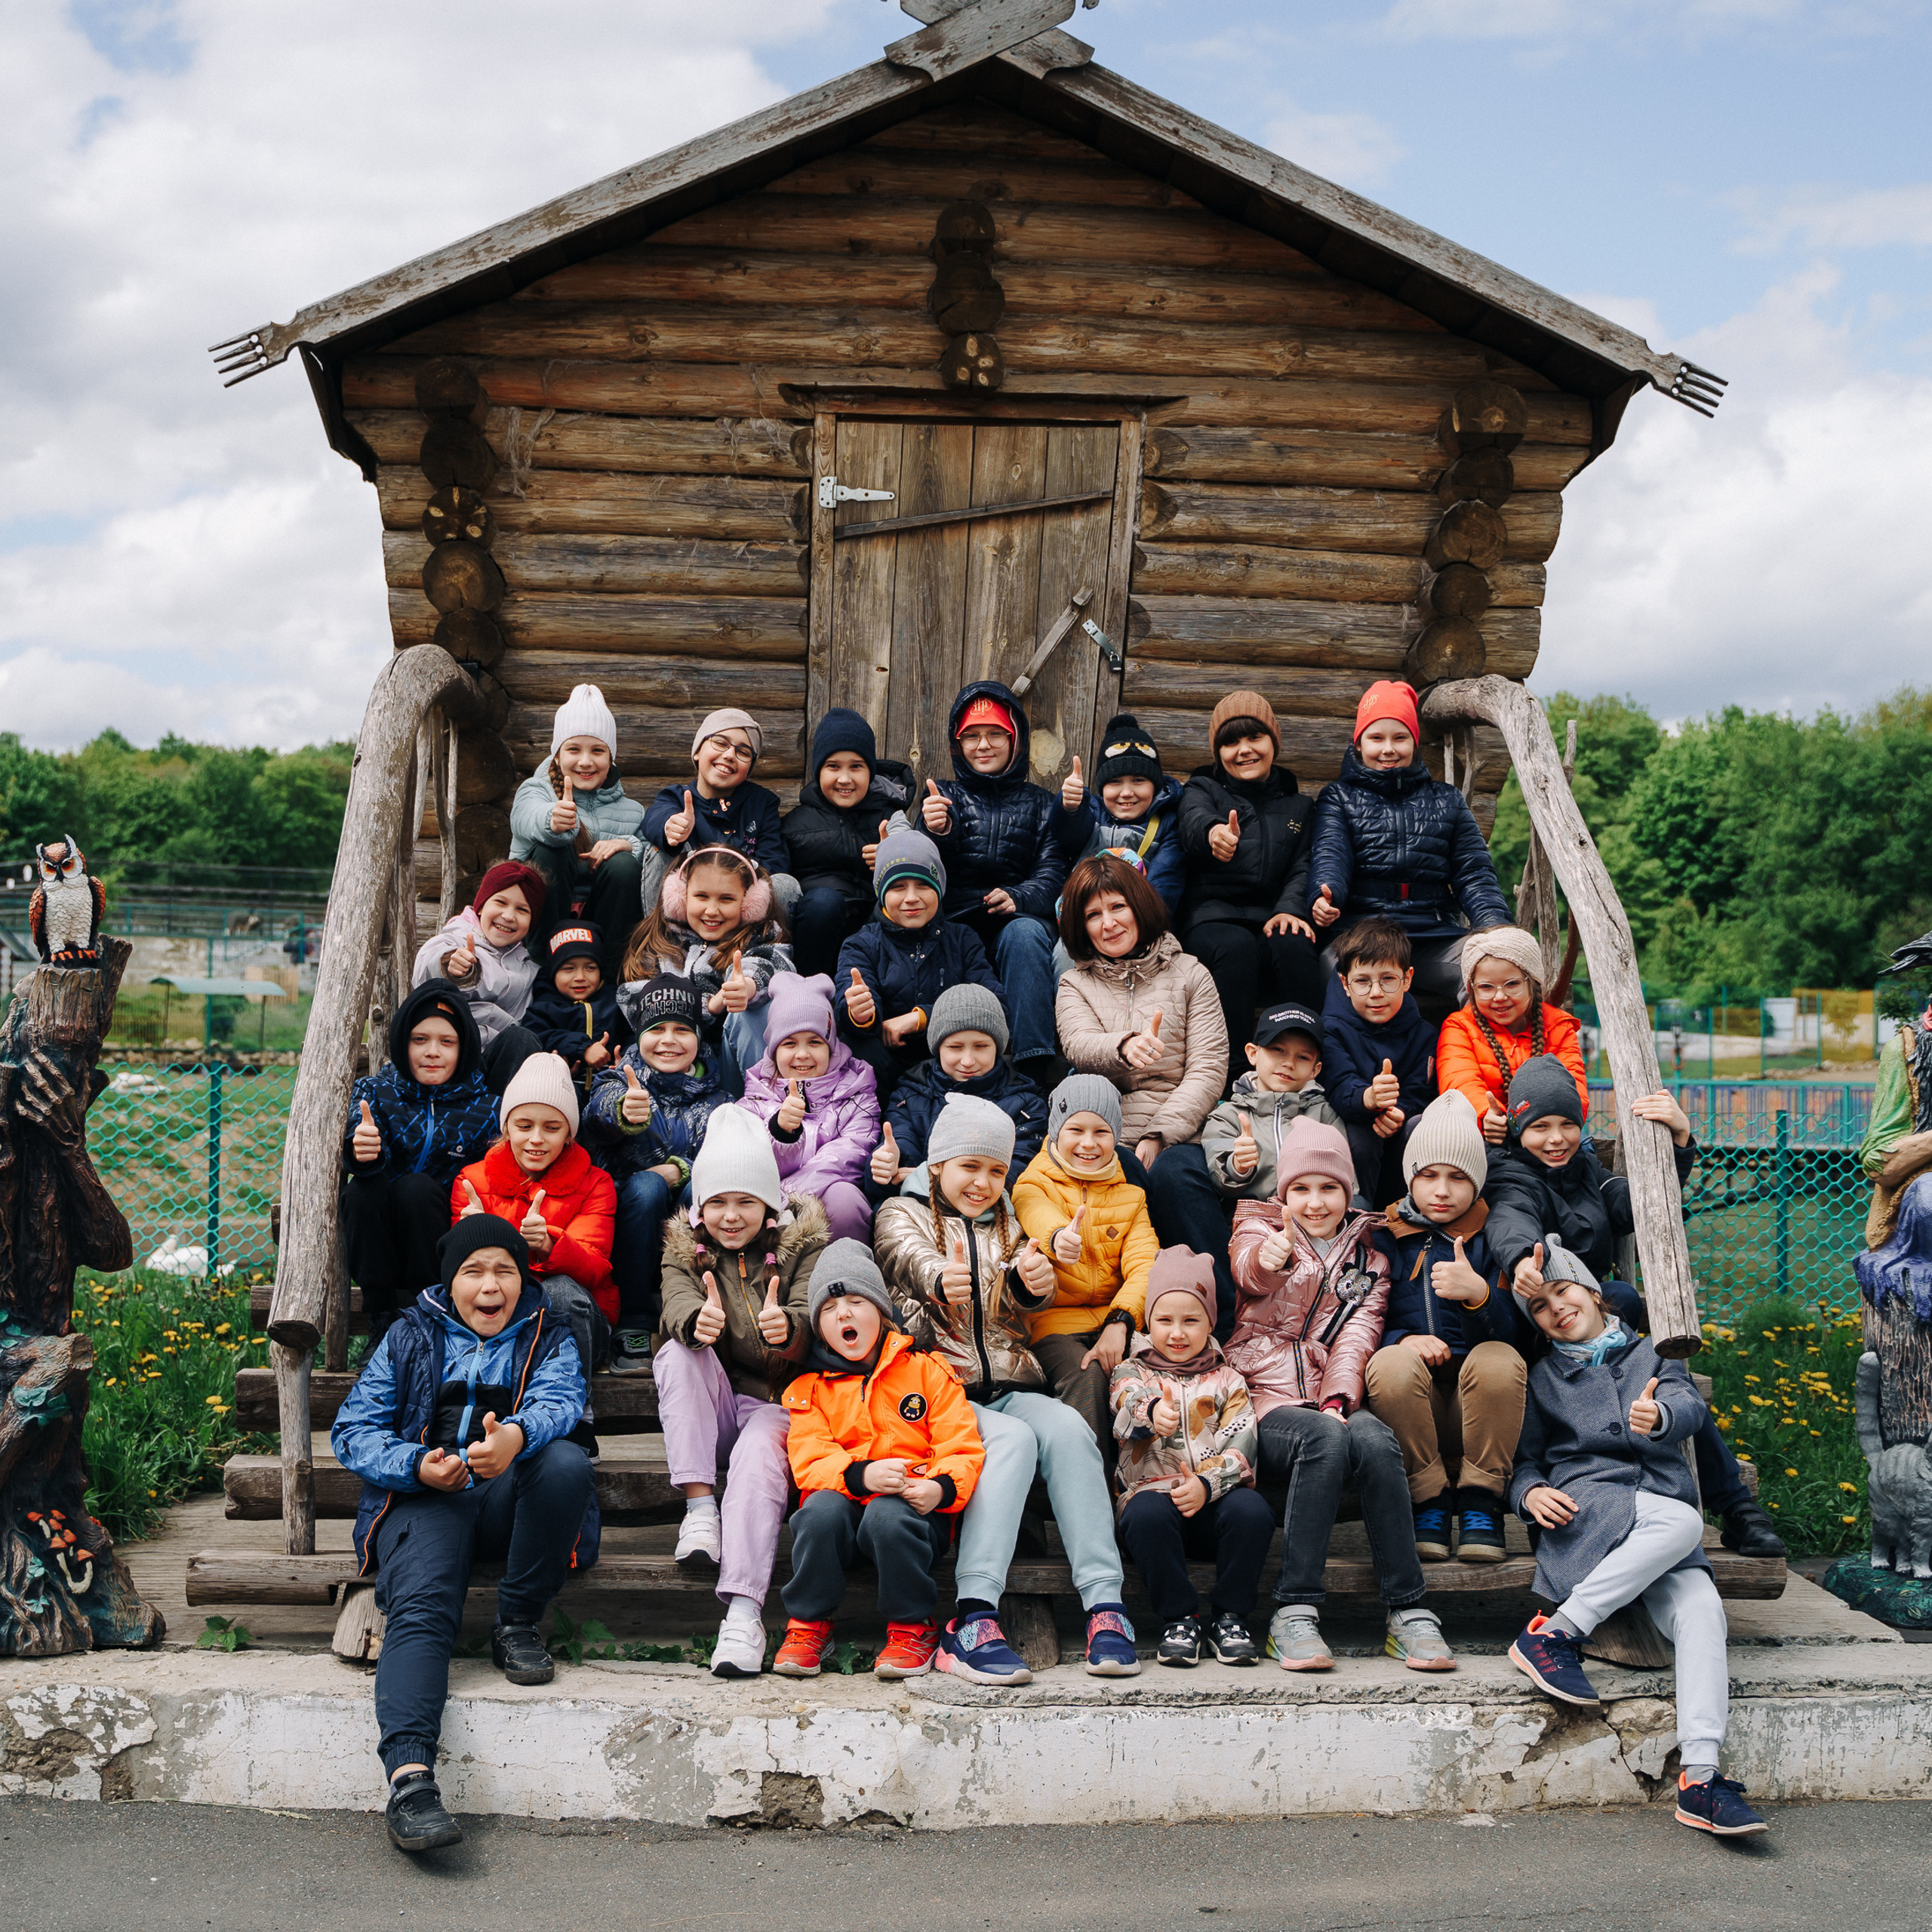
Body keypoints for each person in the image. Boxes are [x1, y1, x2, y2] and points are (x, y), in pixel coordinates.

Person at [332, 1214, 595, 1854]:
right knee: (422, 1613)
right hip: (427, 1499)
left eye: (505, 1270)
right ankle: (411, 1782)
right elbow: (353, 1431)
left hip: (510, 1502)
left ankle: (517, 1624)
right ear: (451, 1282)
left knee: (564, 1461)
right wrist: (415, 1465)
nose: (490, 1284)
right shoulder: (408, 1336)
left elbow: (562, 1403)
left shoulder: (549, 1334)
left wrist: (515, 1439)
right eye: (474, 1271)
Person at [875, 1092, 1141, 1681]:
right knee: (1014, 1441)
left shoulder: (1010, 1222)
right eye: (970, 1166)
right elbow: (908, 1259)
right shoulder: (903, 1212)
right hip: (939, 1393)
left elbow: (1018, 1295)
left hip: (1008, 1381)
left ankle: (1105, 1604)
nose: (983, 1182)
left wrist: (1030, 1282)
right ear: (938, 1164)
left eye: (997, 1170)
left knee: (1069, 1429)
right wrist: (941, 1279)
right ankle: (973, 1617)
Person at [1508, 1238, 1769, 1838]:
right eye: (1542, 1307)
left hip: (1652, 1519)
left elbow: (1686, 1405)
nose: (1556, 1309)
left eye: (1564, 1292)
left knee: (1703, 1611)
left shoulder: (1654, 1352)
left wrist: (1663, 1418)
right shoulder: (1543, 1377)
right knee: (1683, 1521)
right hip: (1589, 1509)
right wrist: (1529, 1494)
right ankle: (1556, 1635)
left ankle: (1700, 1778)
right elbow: (1523, 1463)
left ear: (1595, 1293)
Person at [1484, 1055, 1786, 1561]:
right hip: (1539, 1327)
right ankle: (1724, 1503)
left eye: (1566, 1125)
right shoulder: (1512, 1175)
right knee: (1624, 1304)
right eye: (1539, 1127)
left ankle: (1737, 1508)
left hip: (1595, 1331)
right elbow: (1511, 1218)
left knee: (1665, 1376)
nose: (1555, 1139)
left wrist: (1681, 1143)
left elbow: (1639, 1204)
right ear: (1519, 1130)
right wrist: (1520, 1259)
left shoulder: (1588, 1172)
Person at [1228, 1117, 1454, 1673]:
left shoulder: (1369, 1257)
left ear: (1348, 1191)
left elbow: (1357, 1337)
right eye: (1300, 1189)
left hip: (1328, 1393)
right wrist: (1271, 1260)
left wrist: (1339, 1400)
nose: (1314, 1202)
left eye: (1328, 1187)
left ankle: (1408, 1610)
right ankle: (1294, 1610)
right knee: (1325, 1441)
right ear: (1283, 1193)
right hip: (1262, 1396)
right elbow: (1248, 1273)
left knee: (1376, 1441)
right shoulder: (1258, 1228)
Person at [655, 1104, 829, 1679]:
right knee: (678, 1354)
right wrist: (694, 1324)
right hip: (720, 1406)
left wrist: (793, 1331)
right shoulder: (685, 1252)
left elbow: (815, 1315)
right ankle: (700, 1507)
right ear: (701, 1208)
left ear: (769, 1205)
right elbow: (677, 1302)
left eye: (745, 1202)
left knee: (760, 1450)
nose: (731, 1216)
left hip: (786, 1404)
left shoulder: (804, 1250)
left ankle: (744, 1613)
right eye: (718, 1203)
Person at [775, 1241, 986, 1681]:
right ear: (818, 1328)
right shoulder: (812, 1388)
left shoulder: (926, 1370)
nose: (844, 1315)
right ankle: (809, 1625)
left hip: (911, 1514)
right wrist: (862, 1475)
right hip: (846, 1511)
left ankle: (912, 1626)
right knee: (817, 1512)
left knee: (889, 1516)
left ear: (882, 1311)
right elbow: (811, 1458)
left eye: (856, 1301)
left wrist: (941, 1488)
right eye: (829, 1309)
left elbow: (960, 1444)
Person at [1054, 853, 1238, 1327]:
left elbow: (1209, 1066)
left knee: (1176, 1174)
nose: (1108, 923)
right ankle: (1138, 1316)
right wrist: (1125, 1045)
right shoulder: (1076, 984)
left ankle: (1225, 1313)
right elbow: (1077, 1044)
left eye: (1117, 907)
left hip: (1184, 1127)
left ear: (1139, 905)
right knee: (1124, 1169)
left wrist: (1161, 1134)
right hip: (1109, 1130)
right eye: (1093, 915)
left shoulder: (1190, 973)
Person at [1363, 1091, 1523, 1564]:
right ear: (1410, 1177)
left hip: (1482, 1411)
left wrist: (1479, 1296)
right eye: (1428, 1176)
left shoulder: (1495, 1235)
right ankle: (1428, 1500)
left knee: (1500, 1359)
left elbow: (1523, 1340)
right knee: (1390, 1362)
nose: (1441, 1190)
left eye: (1457, 1178)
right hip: (1417, 1410)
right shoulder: (1383, 1235)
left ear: (1477, 1183)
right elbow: (1361, 1319)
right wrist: (1404, 1339)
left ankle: (1481, 1502)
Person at [1305, 679, 1511, 1020]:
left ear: (1414, 743)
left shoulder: (1447, 800)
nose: (1388, 749)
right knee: (1333, 972)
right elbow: (1331, 855)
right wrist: (1325, 897)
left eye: (1400, 738)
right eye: (1376, 738)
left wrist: (1497, 929)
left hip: (1432, 933)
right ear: (1359, 745)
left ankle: (1486, 1067)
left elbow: (1474, 873)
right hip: (1360, 933)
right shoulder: (1338, 797)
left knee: (1488, 970)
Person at [1111, 1247, 1272, 1667]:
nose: (1177, 1333)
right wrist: (1150, 1413)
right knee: (1145, 1515)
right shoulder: (1133, 1371)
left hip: (1212, 1503)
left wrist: (1207, 1484)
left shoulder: (1228, 1379)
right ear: (1148, 1322)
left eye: (1191, 1320)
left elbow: (1243, 1442)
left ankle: (1231, 1617)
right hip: (1153, 1504)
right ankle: (1179, 1617)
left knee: (1253, 1511)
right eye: (1164, 1321)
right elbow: (1125, 1404)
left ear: (1210, 1323)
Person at [1174, 691, 1324, 1091]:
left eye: (1254, 738)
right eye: (1230, 742)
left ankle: (1310, 1069)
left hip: (1274, 915)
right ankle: (1232, 1079)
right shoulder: (1202, 789)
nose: (1243, 750)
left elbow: (1304, 864)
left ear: (1273, 742)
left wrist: (1292, 908)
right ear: (1218, 751)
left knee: (1293, 945)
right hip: (1212, 918)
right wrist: (1214, 833)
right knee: (1235, 947)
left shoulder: (1300, 807)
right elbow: (1193, 822)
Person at [451, 1053, 617, 1407]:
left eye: (552, 1128)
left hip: (578, 1321)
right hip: (501, 1316)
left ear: (569, 1133)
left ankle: (576, 1410)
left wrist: (548, 1244)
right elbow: (459, 1275)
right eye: (524, 1126)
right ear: (507, 1128)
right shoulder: (471, 1181)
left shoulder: (596, 1183)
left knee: (560, 1292)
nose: (536, 1139)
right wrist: (472, 1237)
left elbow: (596, 1267)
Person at [583, 974, 731, 1369]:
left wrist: (680, 1170)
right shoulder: (619, 1080)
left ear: (699, 1037)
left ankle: (703, 1308)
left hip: (689, 1217)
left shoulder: (719, 1100)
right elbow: (596, 1116)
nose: (668, 1039)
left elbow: (728, 1160)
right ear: (639, 1035)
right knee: (647, 1186)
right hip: (632, 1220)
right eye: (656, 1029)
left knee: (704, 1189)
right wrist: (623, 1113)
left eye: (682, 1029)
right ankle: (635, 1318)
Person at [920, 681, 1066, 1084]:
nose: (983, 745)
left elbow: (1052, 873)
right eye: (972, 736)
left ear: (1014, 739)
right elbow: (919, 869)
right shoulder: (942, 797)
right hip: (954, 919)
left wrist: (1019, 897)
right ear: (958, 744)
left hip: (1011, 918)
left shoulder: (1042, 804)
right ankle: (934, 1064)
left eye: (995, 734)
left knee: (1026, 935)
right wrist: (936, 830)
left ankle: (1033, 1064)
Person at [340, 982, 497, 1347]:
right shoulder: (375, 1091)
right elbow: (358, 1135)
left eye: (447, 1042)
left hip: (436, 1232)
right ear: (401, 1044)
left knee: (417, 1189)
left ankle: (423, 1315)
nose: (432, 1052)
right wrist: (363, 1150)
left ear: (465, 1048)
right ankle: (382, 1320)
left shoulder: (487, 1107)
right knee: (361, 1191)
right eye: (419, 1040)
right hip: (379, 1233)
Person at [1011, 1076, 1161, 1450]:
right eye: (1076, 1129)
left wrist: (1121, 1321)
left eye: (1102, 1131)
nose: (1089, 1143)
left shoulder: (1132, 1196)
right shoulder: (1032, 1184)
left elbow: (1145, 1263)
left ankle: (1148, 1482)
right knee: (1088, 1374)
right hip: (1053, 1325)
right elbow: (1036, 1214)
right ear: (1056, 1132)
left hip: (1116, 1318)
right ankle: (1093, 1487)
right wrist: (1060, 1237)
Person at [836, 814, 1006, 1101]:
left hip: (952, 1068)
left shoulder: (962, 939)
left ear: (939, 889)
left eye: (924, 885)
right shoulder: (862, 944)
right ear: (881, 893)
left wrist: (921, 1018)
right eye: (898, 887)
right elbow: (849, 1003)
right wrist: (860, 1014)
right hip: (888, 1071)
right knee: (861, 1045)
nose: (911, 897)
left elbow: (995, 1003)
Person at [618, 844, 792, 1095]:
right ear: (679, 896)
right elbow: (634, 998)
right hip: (670, 1066)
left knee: (751, 1011)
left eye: (727, 899)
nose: (712, 910)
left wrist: (749, 986)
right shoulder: (659, 940)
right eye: (701, 897)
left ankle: (760, 1100)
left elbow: (773, 963)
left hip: (727, 1064)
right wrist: (707, 1006)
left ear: (750, 902)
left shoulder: (759, 937)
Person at [507, 684, 644, 980]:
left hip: (600, 924)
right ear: (557, 756)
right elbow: (525, 818)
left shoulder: (632, 811)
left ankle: (610, 978)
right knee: (550, 849)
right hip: (544, 922)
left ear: (611, 759)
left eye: (597, 750)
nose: (585, 761)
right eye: (573, 749)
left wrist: (627, 843)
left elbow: (652, 856)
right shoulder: (536, 791)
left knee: (624, 865)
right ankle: (540, 970)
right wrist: (552, 820)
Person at [869, 983, 1048, 1205]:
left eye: (981, 1046)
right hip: (920, 1214)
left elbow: (1017, 1172)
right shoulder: (909, 1095)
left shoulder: (1026, 1106)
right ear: (938, 1048)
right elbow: (899, 1154)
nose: (968, 1061)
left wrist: (923, 1177)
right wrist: (884, 1165)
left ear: (999, 1048)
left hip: (991, 1215)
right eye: (955, 1047)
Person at [739, 972, 880, 1244]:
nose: (803, 1054)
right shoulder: (755, 1099)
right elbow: (751, 1163)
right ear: (773, 1050)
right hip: (768, 1201)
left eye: (815, 1042)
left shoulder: (857, 1090)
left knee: (846, 1200)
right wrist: (782, 1131)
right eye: (790, 1043)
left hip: (816, 1194)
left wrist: (789, 1194)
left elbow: (852, 1152)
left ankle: (844, 1277)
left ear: (832, 1047)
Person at [781, 707, 917, 977]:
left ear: (871, 771)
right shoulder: (793, 825)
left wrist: (892, 857)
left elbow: (920, 872)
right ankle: (809, 991)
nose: (845, 779)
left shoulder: (889, 817)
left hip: (875, 930)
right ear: (819, 770)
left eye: (856, 766)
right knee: (823, 902)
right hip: (819, 933)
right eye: (833, 767)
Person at [636, 707, 798, 918]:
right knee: (663, 849)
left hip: (738, 914)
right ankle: (666, 941)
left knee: (785, 884)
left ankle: (748, 947)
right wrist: (670, 827)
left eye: (743, 752)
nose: (730, 755)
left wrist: (733, 880)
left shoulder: (761, 804)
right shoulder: (676, 797)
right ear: (697, 751)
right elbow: (655, 818)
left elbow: (774, 861)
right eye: (720, 743)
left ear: (749, 768)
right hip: (688, 911)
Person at [1320, 917, 1438, 1205]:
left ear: (1407, 979)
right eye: (1362, 981)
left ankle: (1406, 1217)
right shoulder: (1330, 1030)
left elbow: (1421, 1092)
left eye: (1388, 979)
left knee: (1419, 1128)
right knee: (1362, 1137)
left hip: (1400, 1124)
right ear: (1345, 984)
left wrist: (1400, 1111)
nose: (1375, 992)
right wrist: (1369, 1097)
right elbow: (1337, 1085)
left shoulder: (1424, 1033)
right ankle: (1362, 1218)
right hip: (1352, 1122)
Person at [1437, 926, 1587, 1143]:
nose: (1499, 996)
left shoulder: (1559, 1027)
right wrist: (1485, 1115)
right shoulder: (1459, 1027)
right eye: (1486, 987)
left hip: (1548, 1136)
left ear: (1532, 982)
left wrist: (1532, 1124)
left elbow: (1575, 1091)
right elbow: (1460, 1081)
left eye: (1512, 984)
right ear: (1472, 989)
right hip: (1486, 1137)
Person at [413, 861, 547, 1085]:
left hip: (497, 1062)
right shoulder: (457, 940)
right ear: (482, 905)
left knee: (523, 1040)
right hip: (452, 1052)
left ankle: (499, 1112)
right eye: (500, 902)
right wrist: (451, 967)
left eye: (522, 910)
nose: (508, 915)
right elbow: (428, 965)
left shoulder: (528, 971)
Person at [1200, 1000, 1342, 1204]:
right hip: (1254, 1216)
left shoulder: (1325, 1115)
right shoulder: (1229, 1114)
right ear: (1253, 1053)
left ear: (1315, 1070)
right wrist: (1238, 1166)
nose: (1289, 1063)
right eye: (1278, 1050)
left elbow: (1342, 1176)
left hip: (1314, 1212)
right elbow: (1221, 1179)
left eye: (1303, 1057)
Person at [1050, 712, 1187, 918]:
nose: (1126, 792)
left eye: (1138, 780)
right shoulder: (1091, 812)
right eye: (1115, 782)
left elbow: (1164, 887)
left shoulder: (1166, 827)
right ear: (1102, 788)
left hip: (1138, 927)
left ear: (1155, 786)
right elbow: (1067, 834)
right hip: (1082, 923)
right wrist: (1069, 806)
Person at [523, 922, 633, 1099]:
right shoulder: (543, 1008)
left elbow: (633, 1036)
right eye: (568, 968)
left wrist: (627, 1060)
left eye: (590, 968)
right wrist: (583, 1047)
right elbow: (538, 1037)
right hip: (561, 1093)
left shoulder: (616, 1002)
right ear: (553, 972)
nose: (580, 977)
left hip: (613, 1091)